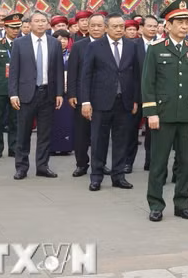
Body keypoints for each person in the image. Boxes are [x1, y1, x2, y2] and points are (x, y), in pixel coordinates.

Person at [142, 0, 188, 222]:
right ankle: (156, 205)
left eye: (187, 21)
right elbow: (148, 83)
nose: (184, 25)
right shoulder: (156, 49)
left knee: (186, 162)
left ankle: (182, 203)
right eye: (179, 22)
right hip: (163, 114)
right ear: (167, 25)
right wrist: (151, 112)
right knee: (159, 163)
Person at [80, 14, 141, 191]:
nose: (119, 29)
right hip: (100, 102)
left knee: (121, 141)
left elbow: (136, 75)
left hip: (124, 102)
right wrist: (85, 101)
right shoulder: (94, 46)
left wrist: (136, 99)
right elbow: (86, 75)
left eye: (121, 26)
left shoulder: (131, 46)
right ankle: (96, 177)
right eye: (115, 26)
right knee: (99, 140)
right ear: (106, 28)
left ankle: (118, 176)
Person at [9, 11, 65, 179]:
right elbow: (14, 71)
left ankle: (42, 166)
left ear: (48, 24)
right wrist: (13, 94)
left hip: (48, 93)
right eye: (37, 21)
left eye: (43, 21)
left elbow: (59, 70)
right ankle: (21, 167)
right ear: (30, 24)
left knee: (45, 133)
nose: (40, 24)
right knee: (23, 133)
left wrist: (59, 93)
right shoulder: (19, 43)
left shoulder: (54, 43)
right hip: (26, 94)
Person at [67, 13, 106, 177]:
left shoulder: (109, 45)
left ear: (105, 28)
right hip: (82, 95)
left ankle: (100, 164)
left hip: (104, 96)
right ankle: (81, 164)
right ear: (87, 28)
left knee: (101, 134)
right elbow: (72, 72)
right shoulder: (78, 46)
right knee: (81, 133)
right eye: (93, 26)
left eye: (99, 26)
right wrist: (72, 93)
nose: (96, 29)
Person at [0, 13, 21, 159]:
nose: (15, 31)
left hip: (17, 88)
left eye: (17, 28)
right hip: (0, 87)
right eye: (12, 28)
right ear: (5, 28)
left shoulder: (23, 44)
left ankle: (13, 147)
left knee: (15, 120)